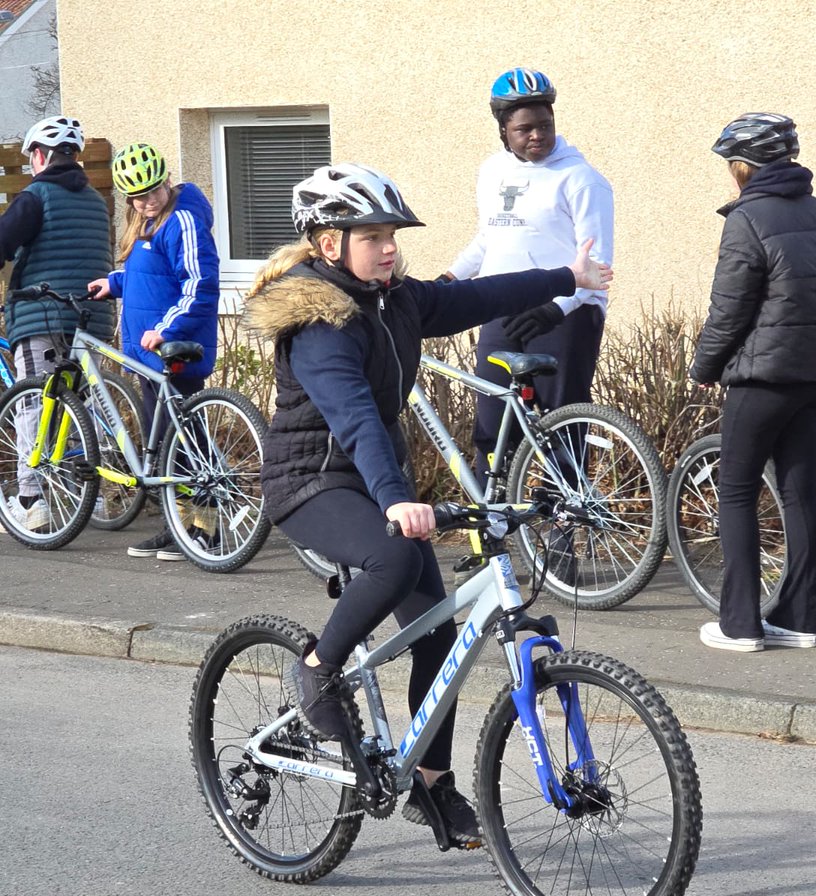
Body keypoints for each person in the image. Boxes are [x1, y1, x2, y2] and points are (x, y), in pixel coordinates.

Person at [243, 162, 611, 849]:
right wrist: (397, 500)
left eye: (392, 235)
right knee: (395, 555)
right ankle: (319, 669)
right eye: (371, 235)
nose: (388, 246)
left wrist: (569, 277)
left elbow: (478, 296)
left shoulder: (395, 299)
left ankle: (432, 786)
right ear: (328, 244)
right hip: (312, 482)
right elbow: (353, 417)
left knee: (438, 636)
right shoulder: (317, 323)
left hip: (377, 483)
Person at [689, 113, 816, 652]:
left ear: (744, 166)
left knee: (737, 490)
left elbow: (729, 310)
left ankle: (740, 624)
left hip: (761, 378)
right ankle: (802, 620)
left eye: (730, 164)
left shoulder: (747, 219)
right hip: (815, 375)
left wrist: (704, 367)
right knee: (797, 489)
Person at [443, 68, 614, 485]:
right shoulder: (491, 172)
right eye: (525, 128)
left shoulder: (581, 179)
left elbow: (597, 264)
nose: (537, 134)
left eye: (545, 125)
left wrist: (556, 310)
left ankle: (563, 530)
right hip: (501, 307)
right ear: (503, 131)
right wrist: (450, 278)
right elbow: (490, 237)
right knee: (492, 426)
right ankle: (494, 526)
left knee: (560, 425)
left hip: (564, 316)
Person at [89, 141, 220, 561]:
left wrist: (164, 330)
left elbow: (199, 284)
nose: (147, 202)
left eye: (153, 192)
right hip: (150, 354)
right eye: (138, 197)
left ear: (166, 181)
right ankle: (179, 525)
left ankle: (205, 528)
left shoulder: (181, 218)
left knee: (183, 441)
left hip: (173, 347)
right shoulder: (149, 222)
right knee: (166, 440)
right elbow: (153, 276)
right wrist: (116, 282)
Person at [0, 114, 114, 532]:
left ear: (40, 155)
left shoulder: (37, 195)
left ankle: (31, 501)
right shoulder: (96, 202)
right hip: (91, 318)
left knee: (34, 404)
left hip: (42, 314)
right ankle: (91, 496)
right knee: (78, 407)